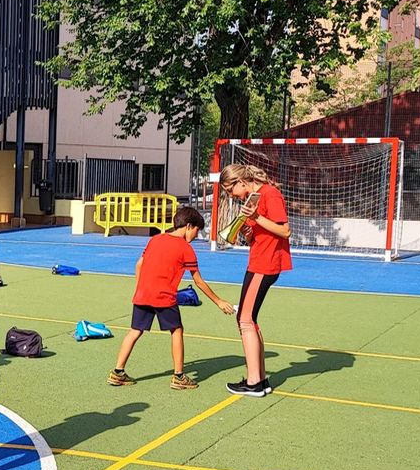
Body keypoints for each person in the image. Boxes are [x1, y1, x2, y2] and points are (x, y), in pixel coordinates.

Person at [108, 206, 235, 389]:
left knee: (135, 331)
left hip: (143, 293)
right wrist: (219, 301)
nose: (196, 236)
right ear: (189, 226)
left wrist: (141, 287)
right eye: (196, 231)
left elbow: (139, 264)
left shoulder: (155, 239)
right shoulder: (186, 249)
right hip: (164, 297)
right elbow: (198, 281)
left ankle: (118, 372)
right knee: (177, 330)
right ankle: (179, 376)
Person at [220, 163, 292, 397]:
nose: (231, 196)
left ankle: (254, 382)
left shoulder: (270, 194)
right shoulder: (254, 198)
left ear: (241, 182)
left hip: (265, 264)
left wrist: (256, 217)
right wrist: (248, 232)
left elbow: (285, 231)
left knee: (244, 319)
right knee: (249, 319)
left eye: (230, 190)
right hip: (259, 261)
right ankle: (259, 379)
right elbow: (260, 234)